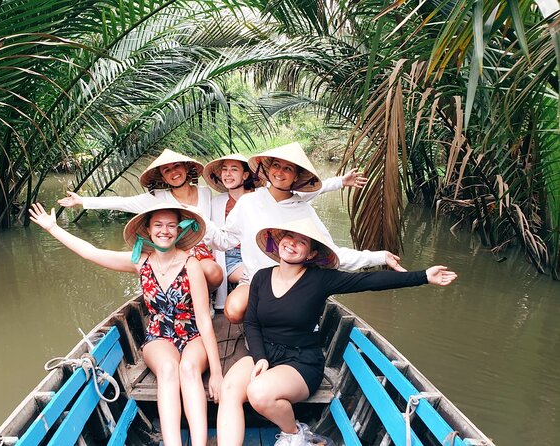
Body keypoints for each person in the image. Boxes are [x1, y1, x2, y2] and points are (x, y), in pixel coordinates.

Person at [216, 218, 457, 446]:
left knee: (259, 393)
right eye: (288, 237)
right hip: (265, 354)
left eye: (302, 242)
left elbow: (370, 282)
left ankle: (295, 434)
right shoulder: (260, 277)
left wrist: (423, 276)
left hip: (301, 361)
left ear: (311, 254)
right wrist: (260, 358)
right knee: (229, 389)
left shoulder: (321, 279)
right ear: (279, 241)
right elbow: (252, 324)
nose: (292, 244)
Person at [28, 202, 222, 446]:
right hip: (159, 336)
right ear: (149, 230)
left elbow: (203, 318)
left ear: (179, 231)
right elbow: (91, 252)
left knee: (189, 369)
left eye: (171, 225)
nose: (165, 231)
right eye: (158, 225)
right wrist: (53, 228)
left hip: (192, 334)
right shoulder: (140, 262)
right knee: (169, 370)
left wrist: (216, 373)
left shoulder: (191, 264)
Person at [203, 142, 405, 324]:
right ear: (267, 168)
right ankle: (259, 323)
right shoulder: (248, 202)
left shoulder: (304, 210)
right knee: (233, 311)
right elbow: (224, 240)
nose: (280, 172)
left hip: (291, 282)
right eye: (276, 165)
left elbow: (332, 253)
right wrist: (200, 222)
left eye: (288, 168)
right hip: (255, 279)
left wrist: (380, 256)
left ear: (296, 176)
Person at [57, 149, 223, 292]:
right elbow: (122, 202)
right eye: (167, 170)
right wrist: (82, 201)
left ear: (186, 167)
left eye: (176, 166)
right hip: (172, 251)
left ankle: (201, 296)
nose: (174, 172)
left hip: (201, 250)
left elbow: (214, 225)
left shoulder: (204, 192)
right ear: (163, 178)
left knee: (214, 273)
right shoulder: (156, 198)